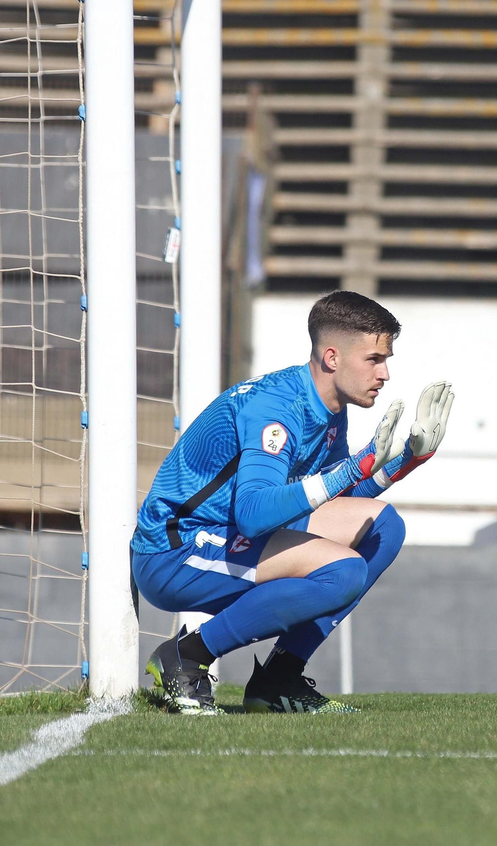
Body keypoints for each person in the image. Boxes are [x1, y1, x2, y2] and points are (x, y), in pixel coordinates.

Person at [131, 292, 455, 715]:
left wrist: (407, 460)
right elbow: (252, 515)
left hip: (225, 536)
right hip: (175, 550)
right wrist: (356, 465)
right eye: (374, 359)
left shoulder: (329, 407)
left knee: (384, 528)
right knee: (343, 570)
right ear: (333, 358)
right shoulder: (277, 409)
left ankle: (277, 679)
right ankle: (188, 655)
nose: (386, 373)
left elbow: (332, 503)